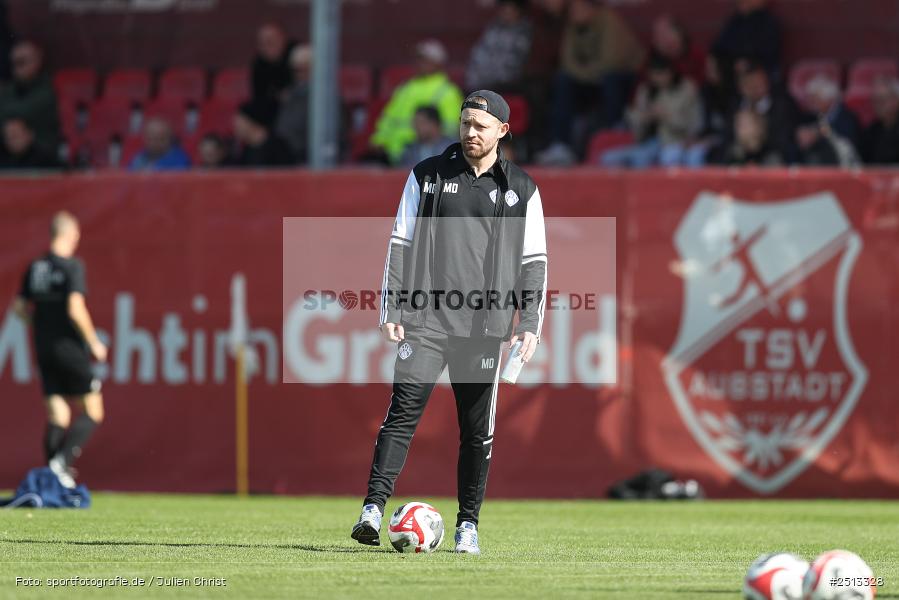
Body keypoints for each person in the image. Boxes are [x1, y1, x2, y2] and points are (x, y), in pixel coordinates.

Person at [352, 91, 547, 555]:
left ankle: (467, 526)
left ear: (502, 130)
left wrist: (530, 322)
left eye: (481, 125)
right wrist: (391, 309)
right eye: (465, 123)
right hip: (425, 321)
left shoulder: (522, 188)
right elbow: (400, 241)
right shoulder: (429, 175)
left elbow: (533, 260)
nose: (471, 132)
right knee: (401, 415)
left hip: (483, 327)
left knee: (477, 432)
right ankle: (372, 511)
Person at [12, 212, 107, 489]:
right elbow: (75, 309)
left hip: (43, 346)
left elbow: (19, 309)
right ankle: (61, 463)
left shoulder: (35, 267)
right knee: (93, 409)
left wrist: (40, 325)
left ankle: (51, 477)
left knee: (58, 415)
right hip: (69, 347)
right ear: (71, 235)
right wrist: (93, 342)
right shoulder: (71, 267)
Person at [537, 0, 645, 165]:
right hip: (591, 79)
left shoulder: (608, 21)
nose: (573, 12)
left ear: (591, 7)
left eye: (578, 7)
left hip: (623, 79)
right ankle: (561, 145)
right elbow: (567, 62)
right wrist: (583, 74)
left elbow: (610, 62)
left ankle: (612, 134)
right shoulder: (572, 26)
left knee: (612, 79)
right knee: (563, 81)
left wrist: (582, 73)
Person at [369, 39, 464, 165]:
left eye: (425, 60)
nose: (420, 63)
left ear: (437, 63)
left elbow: (450, 129)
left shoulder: (448, 92)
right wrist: (378, 140)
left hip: (425, 154)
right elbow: (388, 120)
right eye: (418, 59)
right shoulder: (405, 88)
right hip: (392, 155)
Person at [600, 52, 702, 168]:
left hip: (674, 142)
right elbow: (634, 122)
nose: (658, 78)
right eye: (654, 75)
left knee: (648, 158)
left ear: (671, 72)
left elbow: (694, 125)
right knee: (607, 158)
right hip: (647, 142)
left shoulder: (687, 89)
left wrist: (666, 116)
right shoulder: (645, 90)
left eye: (662, 73)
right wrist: (644, 117)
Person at [0, 40, 61, 157]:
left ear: (37, 61)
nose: (16, 67)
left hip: (41, 153)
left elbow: (23, 112)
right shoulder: (10, 88)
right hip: (8, 153)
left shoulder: (47, 90)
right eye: (13, 63)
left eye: (21, 62)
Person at [712, 0, 782, 93]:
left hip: (758, 69)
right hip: (733, 70)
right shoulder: (735, 21)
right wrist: (712, 61)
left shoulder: (768, 23)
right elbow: (719, 46)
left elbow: (768, 54)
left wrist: (748, 62)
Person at [465, 0, 533, 93]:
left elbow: (512, 67)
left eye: (511, 8)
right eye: (504, 8)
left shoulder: (523, 33)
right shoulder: (493, 28)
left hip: (505, 85)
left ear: (518, 11)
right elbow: (478, 55)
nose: (506, 12)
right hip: (482, 83)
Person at [275, 44, 312, 164]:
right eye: (294, 69)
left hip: (307, 159)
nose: (297, 74)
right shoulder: (290, 94)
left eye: (302, 69)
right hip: (286, 157)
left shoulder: (326, 98)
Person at [708, 109, 782, 166]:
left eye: (745, 124)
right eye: (737, 124)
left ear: (759, 127)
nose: (739, 129)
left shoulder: (771, 154)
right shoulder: (732, 153)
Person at [232, 101, 293, 167]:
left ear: (252, 121)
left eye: (240, 121)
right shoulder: (244, 151)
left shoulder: (279, 149)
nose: (235, 125)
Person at [650, 14, 705, 85]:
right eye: (659, 36)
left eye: (668, 32)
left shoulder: (698, 55)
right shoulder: (652, 63)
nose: (665, 39)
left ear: (680, 33)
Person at [250, 23, 296, 106]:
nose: (265, 47)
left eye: (270, 42)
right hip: (273, 108)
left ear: (282, 39)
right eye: (261, 44)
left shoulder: (296, 54)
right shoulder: (259, 64)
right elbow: (258, 96)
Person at [859, 77, 899, 165]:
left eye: (882, 100)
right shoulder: (871, 130)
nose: (878, 105)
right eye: (875, 101)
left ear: (896, 100)